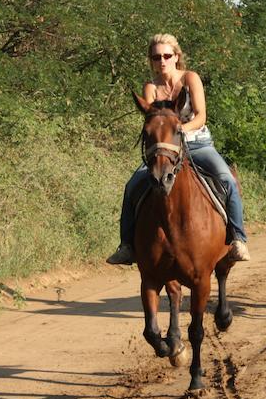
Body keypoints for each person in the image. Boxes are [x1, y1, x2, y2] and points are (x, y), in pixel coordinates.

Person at [106, 33, 250, 265]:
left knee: (227, 179)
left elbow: (201, 116)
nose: (161, 61)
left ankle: (238, 240)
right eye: (155, 57)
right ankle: (127, 246)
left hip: (197, 144)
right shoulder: (151, 88)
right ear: (151, 61)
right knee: (132, 186)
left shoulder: (190, 78)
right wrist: (167, 137)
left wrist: (179, 130)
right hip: (165, 150)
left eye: (166, 55)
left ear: (176, 57)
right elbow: (153, 118)